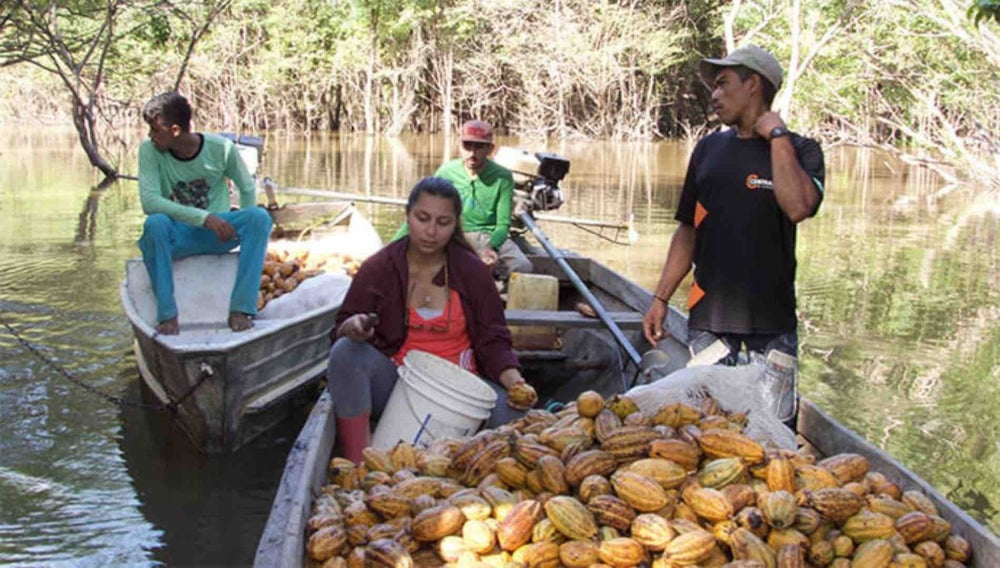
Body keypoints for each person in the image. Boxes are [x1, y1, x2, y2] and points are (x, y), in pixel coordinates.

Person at [641, 45, 825, 427]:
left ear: (753, 84)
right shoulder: (708, 149)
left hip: (772, 323)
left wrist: (776, 135)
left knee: (773, 436)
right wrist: (660, 298)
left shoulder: (802, 150)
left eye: (723, 84)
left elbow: (798, 207)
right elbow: (687, 229)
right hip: (710, 322)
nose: (714, 94)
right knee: (708, 430)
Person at [328, 176, 538, 463]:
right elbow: (342, 327)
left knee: (519, 416)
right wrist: (352, 328)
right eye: (422, 218)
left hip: (462, 393)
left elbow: (494, 340)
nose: (430, 231)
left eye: (443, 222)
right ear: (408, 215)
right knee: (345, 353)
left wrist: (515, 381)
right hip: (398, 386)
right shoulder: (381, 267)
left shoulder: (471, 272)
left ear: (455, 225)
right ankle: (357, 464)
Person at [137, 92, 272, 335]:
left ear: (175, 130)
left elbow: (247, 187)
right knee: (155, 224)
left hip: (219, 236)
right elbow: (150, 202)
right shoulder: (149, 151)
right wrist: (204, 218)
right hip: (178, 237)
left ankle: (242, 308)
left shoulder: (221, 149)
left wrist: (239, 232)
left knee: (258, 218)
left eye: (156, 131)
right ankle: (168, 315)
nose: (150, 136)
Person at [394, 119, 533, 278]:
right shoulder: (447, 172)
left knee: (522, 267)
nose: (472, 153)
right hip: (454, 234)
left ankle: (497, 298)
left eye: (479, 146)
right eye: (467, 145)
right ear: (460, 147)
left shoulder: (503, 177)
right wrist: (390, 248)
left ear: (490, 149)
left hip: (487, 236)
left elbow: (502, 225)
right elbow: (422, 213)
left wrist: (491, 248)